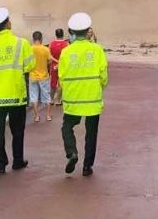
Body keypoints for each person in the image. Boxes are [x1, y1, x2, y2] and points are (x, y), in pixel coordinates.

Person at [0, 7, 35, 174]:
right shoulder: (22, 43)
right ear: (8, 23)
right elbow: (30, 65)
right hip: (16, 94)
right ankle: (17, 160)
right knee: (17, 130)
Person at [58, 12, 108, 177]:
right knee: (91, 134)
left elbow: (61, 77)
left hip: (72, 100)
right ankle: (87, 167)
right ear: (88, 31)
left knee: (67, 127)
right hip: (92, 100)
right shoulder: (97, 50)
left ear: (71, 32)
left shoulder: (66, 52)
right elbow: (103, 76)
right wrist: (98, 86)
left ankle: (72, 153)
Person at [29, 31, 53, 122]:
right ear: (41, 38)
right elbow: (50, 61)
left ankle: (36, 116)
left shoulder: (30, 49)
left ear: (33, 38)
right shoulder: (45, 49)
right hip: (44, 76)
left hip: (33, 76)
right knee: (47, 96)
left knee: (34, 96)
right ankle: (48, 115)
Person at [48, 28, 69, 106]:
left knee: (53, 83)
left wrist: (56, 61)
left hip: (53, 65)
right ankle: (58, 100)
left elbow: (49, 56)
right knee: (60, 83)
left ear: (55, 34)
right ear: (63, 34)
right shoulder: (66, 44)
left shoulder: (51, 43)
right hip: (62, 66)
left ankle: (51, 99)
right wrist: (60, 62)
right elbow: (67, 56)